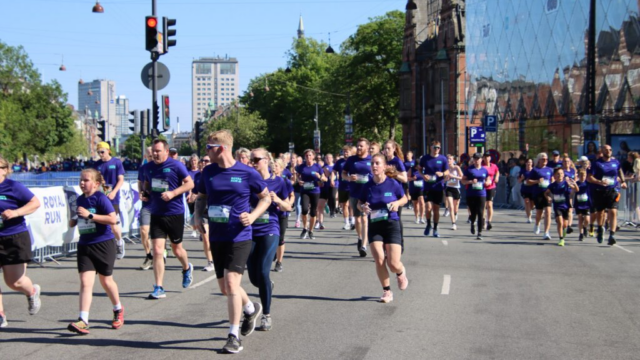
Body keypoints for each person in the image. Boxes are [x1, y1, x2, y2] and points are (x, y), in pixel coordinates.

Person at [194, 130, 270, 354]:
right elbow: (201, 197)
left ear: (221, 148)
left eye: (209, 147)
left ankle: (233, 335)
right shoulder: (208, 172)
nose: (206, 152)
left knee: (231, 284)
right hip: (217, 236)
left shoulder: (247, 173)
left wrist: (253, 216)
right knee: (225, 288)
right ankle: (250, 307)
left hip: (240, 236)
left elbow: (265, 198)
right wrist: (198, 216)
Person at [67, 169, 123, 334]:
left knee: (106, 281)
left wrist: (90, 215)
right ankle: (83, 320)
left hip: (103, 244)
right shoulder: (79, 199)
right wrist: (74, 220)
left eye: (86, 180)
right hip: (85, 245)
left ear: (96, 184)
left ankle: (118, 309)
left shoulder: (101, 198)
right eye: (81, 180)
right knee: (85, 282)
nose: (82, 183)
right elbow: (80, 217)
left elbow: (112, 219)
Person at [140, 139, 195, 299]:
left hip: (174, 213)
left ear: (165, 151)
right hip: (156, 213)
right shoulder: (148, 167)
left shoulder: (176, 165)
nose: (155, 154)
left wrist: (173, 193)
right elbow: (146, 185)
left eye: (158, 151)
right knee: (157, 250)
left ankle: (186, 268)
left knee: (177, 249)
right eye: (153, 151)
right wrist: (145, 194)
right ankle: (159, 287)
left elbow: (190, 184)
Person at [248, 149, 291, 331]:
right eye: (251, 159)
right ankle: (266, 285)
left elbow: (288, 206)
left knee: (264, 272)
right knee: (253, 277)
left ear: (267, 160)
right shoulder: (248, 181)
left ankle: (266, 315)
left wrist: (278, 200)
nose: (253, 162)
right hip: (250, 231)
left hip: (270, 229)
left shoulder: (278, 182)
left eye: (256, 159)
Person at [357, 154, 408, 303]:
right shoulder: (367, 186)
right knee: (379, 259)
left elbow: (405, 198)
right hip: (375, 225)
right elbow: (359, 203)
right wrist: (363, 207)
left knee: (393, 263)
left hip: (391, 224)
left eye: (377, 163)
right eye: (372, 163)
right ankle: (387, 291)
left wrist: (398, 203)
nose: (374, 166)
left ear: (384, 166)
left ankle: (400, 272)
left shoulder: (393, 183)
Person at [0, 156, 41, 328]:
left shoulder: (13, 187)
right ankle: (1, 315)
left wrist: (16, 213)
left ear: (4, 169)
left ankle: (31, 291)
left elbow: (35, 203)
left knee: (14, 282)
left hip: (13, 237)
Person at [93, 142, 126, 260]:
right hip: (100, 197)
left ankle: (119, 242)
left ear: (108, 151)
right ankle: (103, 246)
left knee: (113, 223)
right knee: (100, 222)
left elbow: (121, 180)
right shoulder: (96, 165)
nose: (100, 154)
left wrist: (114, 192)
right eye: (98, 152)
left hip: (113, 198)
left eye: (102, 152)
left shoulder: (116, 162)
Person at [588, 144, 626, 245]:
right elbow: (589, 177)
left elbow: (619, 170)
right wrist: (599, 182)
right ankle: (600, 229)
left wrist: (623, 181)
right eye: (606, 150)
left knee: (613, 211)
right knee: (600, 213)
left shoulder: (615, 162)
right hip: (600, 191)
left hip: (612, 190)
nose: (608, 151)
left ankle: (612, 235)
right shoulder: (597, 163)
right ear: (602, 151)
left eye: (610, 149)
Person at [343, 138, 373, 257]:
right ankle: (360, 237)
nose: (359, 148)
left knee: (364, 218)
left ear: (367, 147)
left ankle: (364, 245)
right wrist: (349, 178)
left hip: (368, 194)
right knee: (358, 220)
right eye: (358, 146)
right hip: (355, 192)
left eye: (361, 146)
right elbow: (343, 173)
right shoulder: (351, 160)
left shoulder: (372, 160)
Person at [418, 141, 449, 238]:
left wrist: (442, 174)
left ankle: (435, 228)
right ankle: (428, 224)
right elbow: (419, 168)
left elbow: (447, 171)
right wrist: (423, 176)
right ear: (430, 147)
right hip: (428, 187)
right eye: (435, 147)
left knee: (436, 209)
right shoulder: (425, 158)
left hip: (438, 187)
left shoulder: (443, 159)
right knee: (428, 208)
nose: (437, 149)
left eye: (438, 147)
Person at [295, 149, 326, 240]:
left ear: (313, 156)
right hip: (304, 190)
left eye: (310, 155)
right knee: (304, 210)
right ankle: (305, 228)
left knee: (313, 212)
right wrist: (298, 181)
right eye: (306, 156)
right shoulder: (301, 167)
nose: (308, 157)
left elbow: (325, 179)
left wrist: (319, 177)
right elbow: (297, 175)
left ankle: (311, 231)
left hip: (315, 191)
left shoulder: (317, 167)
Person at [382, 140, 408, 246]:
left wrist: (394, 173)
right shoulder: (382, 161)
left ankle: (399, 241)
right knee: (384, 219)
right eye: (385, 148)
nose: (387, 150)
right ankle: (385, 244)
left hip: (396, 194)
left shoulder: (397, 161)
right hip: (383, 193)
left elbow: (405, 179)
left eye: (389, 148)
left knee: (396, 218)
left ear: (393, 149)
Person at [192, 156, 215, 272]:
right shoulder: (197, 176)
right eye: (203, 160)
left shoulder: (216, 173)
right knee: (206, 237)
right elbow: (195, 194)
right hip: (203, 211)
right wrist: (192, 197)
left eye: (207, 160)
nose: (204, 162)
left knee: (215, 238)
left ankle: (219, 258)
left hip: (216, 211)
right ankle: (210, 262)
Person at [545, 168, 578, 246]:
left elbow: (576, 189)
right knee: (560, 222)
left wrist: (574, 184)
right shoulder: (552, 185)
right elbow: (546, 193)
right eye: (558, 174)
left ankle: (564, 231)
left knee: (565, 224)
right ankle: (561, 239)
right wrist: (548, 197)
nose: (560, 175)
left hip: (566, 206)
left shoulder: (566, 183)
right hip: (557, 206)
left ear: (564, 175)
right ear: (554, 175)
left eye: (561, 173)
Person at [273, 159, 294, 273]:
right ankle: (272, 254)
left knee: (280, 238)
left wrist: (287, 205)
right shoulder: (266, 180)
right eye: (273, 166)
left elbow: (292, 196)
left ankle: (279, 262)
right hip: (270, 214)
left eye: (276, 166)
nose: (274, 168)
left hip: (282, 213)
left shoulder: (285, 181)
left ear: (281, 168)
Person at [462, 153, 489, 240]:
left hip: (481, 194)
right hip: (471, 194)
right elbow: (463, 181)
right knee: (473, 213)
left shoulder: (484, 170)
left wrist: (487, 182)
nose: (477, 160)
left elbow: (488, 179)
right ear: (473, 159)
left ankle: (479, 232)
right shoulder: (469, 169)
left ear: (482, 159)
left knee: (481, 212)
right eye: (475, 159)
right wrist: (470, 182)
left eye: (478, 158)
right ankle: (472, 223)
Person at [527, 153, 554, 240]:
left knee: (548, 212)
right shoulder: (535, 170)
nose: (545, 160)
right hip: (538, 193)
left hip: (548, 192)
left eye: (546, 159)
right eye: (543, 159)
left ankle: (546, 232)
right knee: (539, 212)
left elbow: (552, 180)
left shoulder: (550, 169)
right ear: (539, 160)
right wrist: (537, 181)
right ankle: (537, 223)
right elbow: (528, 181)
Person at [137, 147, 155, 270]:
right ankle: (149, 256)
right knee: (144, 230)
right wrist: (140, 192)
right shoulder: (143, 169)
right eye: (149, 156)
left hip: (160, 205)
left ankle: (161, 252)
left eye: (153, 156)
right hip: (147, 205)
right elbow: (139, 182)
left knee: (159, 234)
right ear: (145, 157)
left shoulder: (161, 167)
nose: (152, 158)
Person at [334, 146, 353, 231]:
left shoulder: (353, 161)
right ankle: (346, 223)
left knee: (352, 205)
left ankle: (352, 220)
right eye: (344, 152)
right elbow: (334, 172)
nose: (346, 153)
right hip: (342, 186)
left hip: (352, 186)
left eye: (347, 151)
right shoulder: (339, 162)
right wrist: (332, 178)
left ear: (351, 152)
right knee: (344, 205)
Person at [317, 153, 336, 229]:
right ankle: (320, 223)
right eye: (326, 158)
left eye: (329, 158)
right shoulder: (322, 167)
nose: (327, 159)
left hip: (333, 186)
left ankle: (333, 210)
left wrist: (329, 174)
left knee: (333, 197)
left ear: (332, 158)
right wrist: (320, 181)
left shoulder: (335, 166)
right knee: (320, 206)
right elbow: (321, 177)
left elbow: (335, 176)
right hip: (324, 187)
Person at [444, 155, 462, 230]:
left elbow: (461, 177)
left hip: (456, 188)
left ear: (453, 160)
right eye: (447, 159)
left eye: (450, 159)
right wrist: (446, 178)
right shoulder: (445, 169)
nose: (448, 160)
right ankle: (453, 224)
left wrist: (453, 176)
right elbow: (443, 179)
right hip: (449, 188)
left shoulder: (456, 167)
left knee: (456, 205)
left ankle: (456, 213)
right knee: (451, 206)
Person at [482, 153, 500, 231]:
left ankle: (489, 221)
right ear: (483, 158)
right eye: (485, 157)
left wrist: (496, 177)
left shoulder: (493, 166)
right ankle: (482, 220)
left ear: (490, 158)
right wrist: (484, 180)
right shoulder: (482, 166)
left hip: (491, 187)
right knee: (483, 205)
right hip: (482, 187)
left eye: (488, 157)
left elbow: (497, 172)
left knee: (489, 204)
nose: (487, 159)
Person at [561, 155, 577, 234]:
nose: (566, 163)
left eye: (568, 161)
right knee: (564, 210)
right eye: (565, 161)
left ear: (570, 162)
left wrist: (573, 186)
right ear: (562, 162)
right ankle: (563, 224)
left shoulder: (573, 170)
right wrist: (564, 180)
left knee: (570, 208)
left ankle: (569, 226)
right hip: (561, 192)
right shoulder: (561, 171)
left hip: (570, 191)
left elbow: (575, 181)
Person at [407, 154, 425, 224]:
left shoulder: (423, 169)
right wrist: (412, 178)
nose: (419, 167)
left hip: (421, 188)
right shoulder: (411, 169)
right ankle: (416, 217)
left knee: (422, 202)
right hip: (413, 188)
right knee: (415, 204)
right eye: (418, 165)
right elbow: (407, 178)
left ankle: (422, 217)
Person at [574, 169, 591, 241]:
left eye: (584, 175)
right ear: (579, 176)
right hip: (578, 203)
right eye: (581, 175)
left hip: (586, 204)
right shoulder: (576, 183)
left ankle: (585, 227)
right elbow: (574, 190)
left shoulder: (588, 183)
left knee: (587, 219)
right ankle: (581, 234)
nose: (582, 177)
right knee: (580, 218)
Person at [518, 158, 534, 223]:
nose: (529, 163)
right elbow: (519, 181)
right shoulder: (522, 171)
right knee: (527, 202)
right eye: (528, 162)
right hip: (525, 189)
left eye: (530, 162)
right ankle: (529, 217)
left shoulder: (534, 171)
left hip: (533, 189)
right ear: (526, 163)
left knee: (532, 204)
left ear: (532, 163)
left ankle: (530, 210)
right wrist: (522, 178)